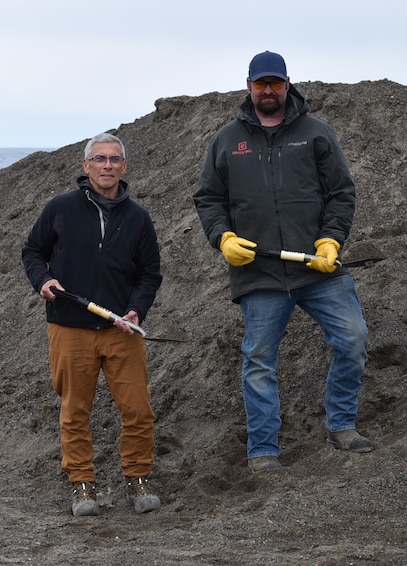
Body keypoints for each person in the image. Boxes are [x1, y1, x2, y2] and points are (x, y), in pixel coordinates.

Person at [193, 51, 372, 473]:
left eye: (275, 83)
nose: (268, 90)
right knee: (259, 361)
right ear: (249, 85)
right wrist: (223, 238)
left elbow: (341, 192)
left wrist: (332, 239)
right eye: (261, 84)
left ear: (288, 83)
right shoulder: (226, 139)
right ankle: (263, 449)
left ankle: (342, 424)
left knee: (354, 339)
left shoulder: (315, 133)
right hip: (259, 272)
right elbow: (208, 198)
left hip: (317, 268)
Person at [21, 133, 163, 516]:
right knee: (75, 410)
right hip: (69, 327)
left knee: (137, 409)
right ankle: (82, 484)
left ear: (124, 166)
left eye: (114, 159)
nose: (107, 166)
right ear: (86, 166)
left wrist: (136, 310)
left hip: (121, 330)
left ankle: (137, 478)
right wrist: (43, 281)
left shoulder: (138, 217)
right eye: (99, 159)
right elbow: (32, 251)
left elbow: (150, 273)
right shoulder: (61, 208)